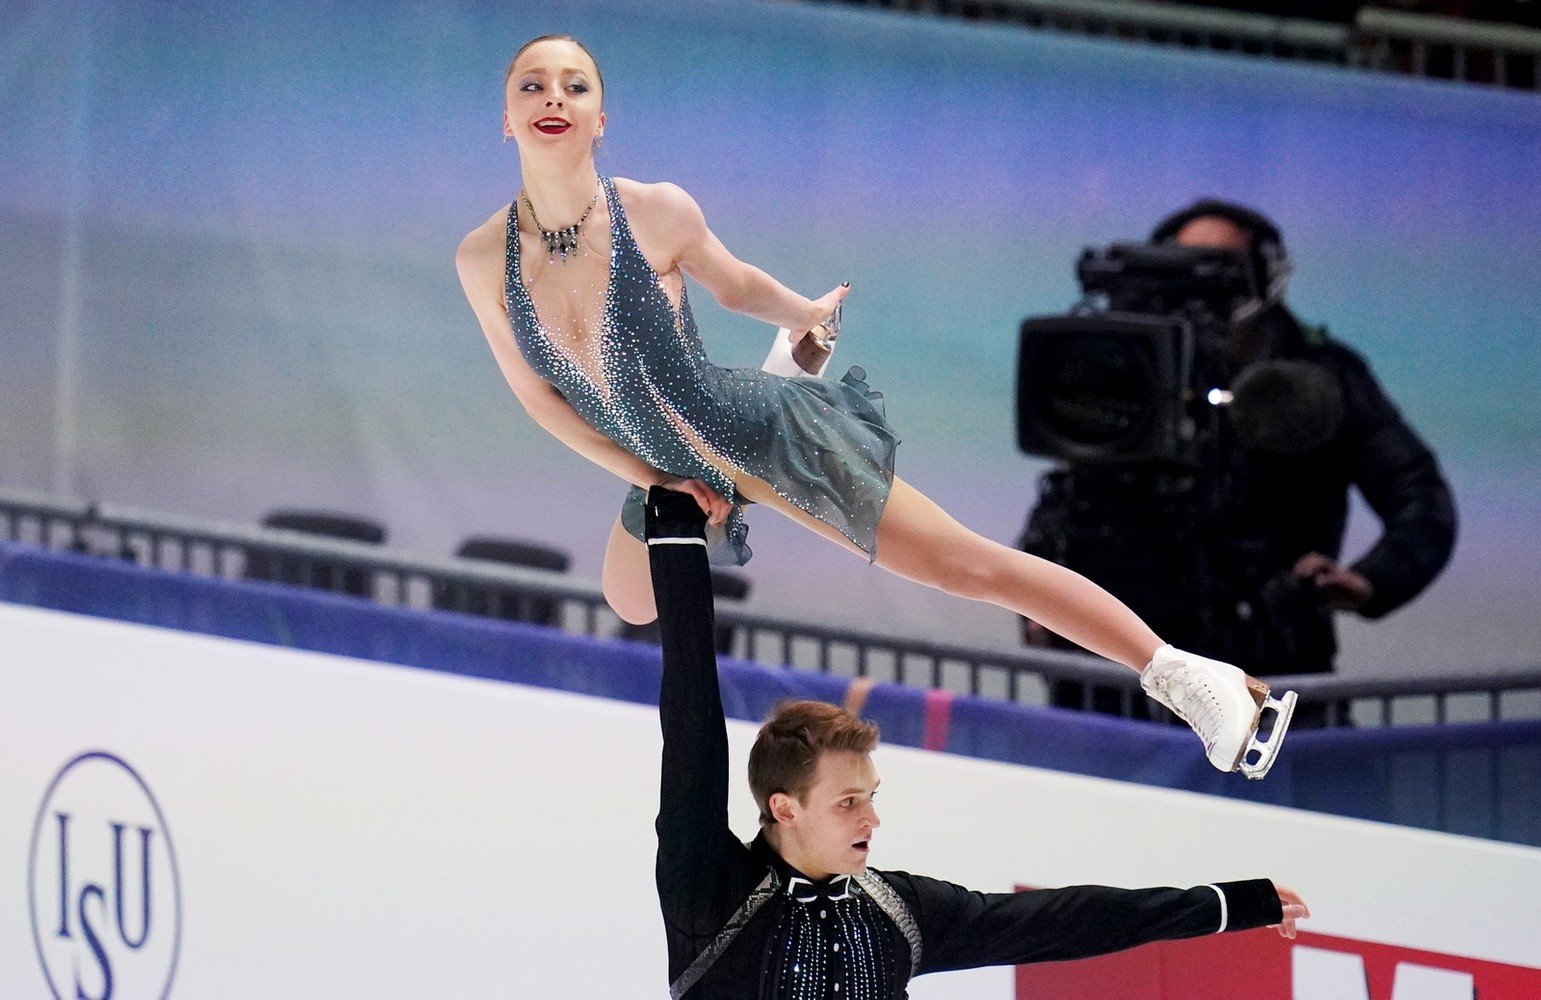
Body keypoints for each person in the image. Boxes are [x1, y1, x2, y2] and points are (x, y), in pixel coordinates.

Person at [454, 35, 1296, 774]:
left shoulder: (653, 210)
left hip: (756, 434)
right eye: (532, 85)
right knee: (630, 600)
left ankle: (1195, 680)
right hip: (668, 463)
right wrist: (650, 479)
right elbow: (540, 400)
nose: (553, 98)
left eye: (576, 85)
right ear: (504, 118)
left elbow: (739, 283)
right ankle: (781, 376)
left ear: (601, 118)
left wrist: (806, 314)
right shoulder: (481, 258)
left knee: (965, 566)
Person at [644, 487, 1308, 998]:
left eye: (869, 796)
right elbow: (692, 708)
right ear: (784, 807)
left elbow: (1065, 920)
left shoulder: (896, 910)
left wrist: (1230, 904)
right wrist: (675, 534)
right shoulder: (712, 891)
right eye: (848, 801)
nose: (871, 819)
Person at [1020, 201, 1457, 725]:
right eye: (1182, 264)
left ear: (1265, 276)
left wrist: (1370, 581)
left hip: (1266, 678)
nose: (1201, 283)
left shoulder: (1321, 376)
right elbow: (1070, 492)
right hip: (1112, 682)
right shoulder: (1114, 370)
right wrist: (1038, 603)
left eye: (1221, 267)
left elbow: (1421, 497)